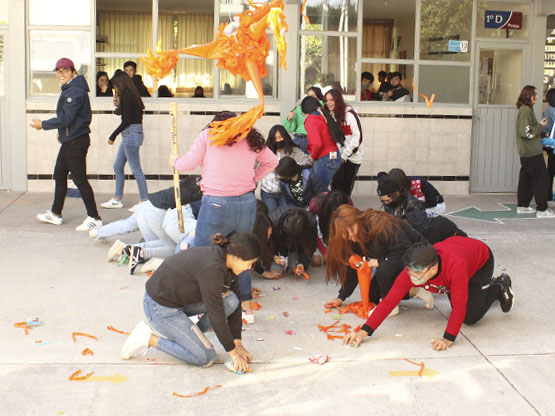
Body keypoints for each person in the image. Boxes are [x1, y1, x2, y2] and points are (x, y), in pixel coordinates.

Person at [170, 112, 278, 307]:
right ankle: (246, 304)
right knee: (242, 251)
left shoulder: (209, 135)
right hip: (246, 202)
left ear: (215, 124)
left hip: (216, 203)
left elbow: (188, 163)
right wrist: (253, 177)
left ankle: (203, 301)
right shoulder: (249, 136)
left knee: (203, 252)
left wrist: (175, 160)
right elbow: (272, 162)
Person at [120, 233, 259, 372]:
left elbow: (235, 303)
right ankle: (146, 337)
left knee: (231, 300)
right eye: (249, 264)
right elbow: (216, 313)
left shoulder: (228, 263)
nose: (249, 268)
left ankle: (189, 337)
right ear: (236, 257)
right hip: (159, 307)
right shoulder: (213, 268)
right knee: (205, 357)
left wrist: (238, 344)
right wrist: (233, 354)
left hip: (180, 301)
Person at [344, 239, 515, 350]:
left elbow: (460, 305)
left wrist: (448, 339)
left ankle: (499, 285)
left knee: (470, 317)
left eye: (418, 274)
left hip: (479, 261)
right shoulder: (413, 269)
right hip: (457, 256)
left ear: (433, 268)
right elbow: (389, 301)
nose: (413, 277)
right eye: (410, 272)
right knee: (457, 301)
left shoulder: (456, 267)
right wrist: (363, 332)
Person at [31, 58, 102, 232]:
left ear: (73, 72)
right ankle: (56, 213)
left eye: (64, 70)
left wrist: (43, 125)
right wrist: (62, 133)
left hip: (76, 142)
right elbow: (70, 120)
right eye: (58, 71)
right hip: (71, 140)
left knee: (79, 179)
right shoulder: (71, 89)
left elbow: (67, 118)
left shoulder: (75, 91)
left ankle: (94, 217)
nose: (60, 74)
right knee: (60, 174)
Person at [324, 205, 431, 315]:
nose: (347, 236)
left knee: (383, 269)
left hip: (418, 255)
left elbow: (404, 250)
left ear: (357, 221)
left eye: (348, 230)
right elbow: (355, 268)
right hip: (393, 259)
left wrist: (379, 261)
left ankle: (391, 306)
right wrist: (341, 297)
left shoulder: (381, 224)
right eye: (342, 233)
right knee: (372, 296)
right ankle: (413, 291)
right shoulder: (355, 237)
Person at [98, 178, 202, 273]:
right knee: (172, 248)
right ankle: (141, 252)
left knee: (128, 225)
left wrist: (100, 232)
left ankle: (127, 248)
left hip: (148, 204)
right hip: (157, 213)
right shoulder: (203, 194)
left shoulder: (193, 181)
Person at [101, 71, 148, 211]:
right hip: (131, 133)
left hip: (130, 134)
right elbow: (129, 114)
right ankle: (117, 199)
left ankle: (144, 201)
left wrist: (112, 135)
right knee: (118, 166)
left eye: (115, 85)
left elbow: (127, 121)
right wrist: (118, 106)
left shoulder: (127, 95)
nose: (115, 88)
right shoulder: (131, 95)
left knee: (136, 169)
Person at [515, 85, 555, 218]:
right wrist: (540, 126)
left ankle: (523, 206)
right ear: (530, 95)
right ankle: (542, 209)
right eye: (536, 94)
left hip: (527, 152)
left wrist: (541, 132)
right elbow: (524, 131)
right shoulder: (525, 111)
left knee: (526, 179)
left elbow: (527, 130)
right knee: (541, 179)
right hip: (532, 152)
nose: (538, 96)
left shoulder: (525, 110)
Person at [260, 125, 312, 211]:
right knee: (271, 216)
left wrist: (291, 168)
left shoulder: (293, 150)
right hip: (268, 191)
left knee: (286, 214)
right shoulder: (265, 151)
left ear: (285, 137)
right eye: (275, 138)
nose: (278, 140)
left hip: (285, 192)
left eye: (280, 137)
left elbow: (307, 162)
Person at [325, 89, 364, 196]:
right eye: (326, 100)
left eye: (331, 100)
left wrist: (345, 155)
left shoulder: (350, 114)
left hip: (352, 157)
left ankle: (345, 210)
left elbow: (357, 137)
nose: (328, 103)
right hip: (338, 157)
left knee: (346, 189)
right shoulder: (330, 115)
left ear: (338, 100)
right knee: (336, 187)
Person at [302, 96, 341, 189]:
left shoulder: (311, 120)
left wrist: (311, 158)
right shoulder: (322, 116)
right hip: (333, 156)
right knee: (322, 189)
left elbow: (317, 144)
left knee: (319, 192)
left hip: (325, 158)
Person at [269, 206, 317, 277]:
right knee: (277, 270)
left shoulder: (311, 222)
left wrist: (302, 263)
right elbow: (266, 244)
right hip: (276, 249)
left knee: (296, 268)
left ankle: (295, 261)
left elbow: (310, 245)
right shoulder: (272, 220)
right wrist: (273, 256)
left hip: (295, 249)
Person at [283, 86, 324, 155]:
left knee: (311, 163)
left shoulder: (321, 109)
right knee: (297, 163)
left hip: (312, 140)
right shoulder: (299, 109)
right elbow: (290, 129)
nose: (309, 98)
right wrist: (289, 119)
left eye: (313, 96)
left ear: (318, 98)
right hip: (298, 139)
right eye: (308, 96)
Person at [542, 88, 555, 201]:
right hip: (553, 143)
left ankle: (548, 194)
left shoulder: (547, 109)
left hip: (550, 144)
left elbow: (545, 127)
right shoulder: (552, 110)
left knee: (550, 170)